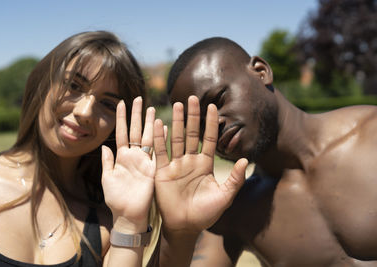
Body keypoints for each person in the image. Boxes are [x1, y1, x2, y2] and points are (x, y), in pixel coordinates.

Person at [153, 37, 377, 266]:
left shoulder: (372, 135)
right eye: (198, 124)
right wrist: (177, 231)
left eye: (218, 100)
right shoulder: (236, 210)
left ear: (261, 72)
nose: (213, 122)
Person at [0, 31, 160, 267]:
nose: (84, 112)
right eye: (74, 85)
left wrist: (129, 222)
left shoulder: (108, 221)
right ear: (42, 83)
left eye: (107, 104)